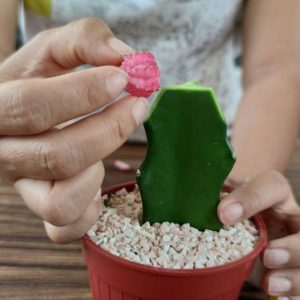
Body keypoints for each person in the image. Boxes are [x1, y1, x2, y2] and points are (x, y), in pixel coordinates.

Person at [0, 0, 299, 298]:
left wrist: (241, 201)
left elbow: (275, 67)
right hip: (59, 138)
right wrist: (11, 119)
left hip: (227, 138)